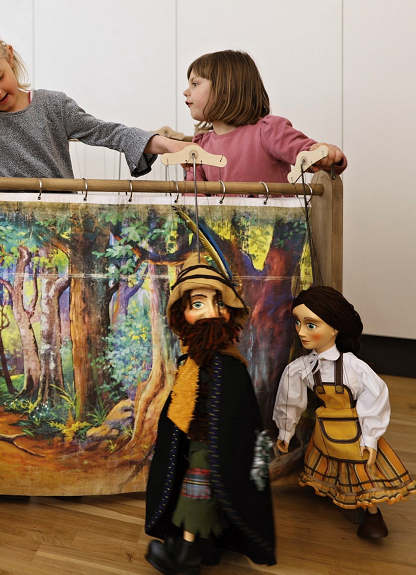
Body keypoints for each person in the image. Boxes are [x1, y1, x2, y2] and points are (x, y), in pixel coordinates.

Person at [0, 19, 187, 190]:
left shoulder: (53, 106)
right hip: (3, 234)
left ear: (9, 57)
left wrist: (162, 143)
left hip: (60, 223)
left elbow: (109, 133)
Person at [145, 256, 276, 574]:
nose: (209, 312)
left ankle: (187, 554)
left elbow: (238, 415)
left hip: (211, 448)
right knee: (192, 490)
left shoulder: (230, 365)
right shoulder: (191, 361)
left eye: (217, 303)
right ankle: (201, 546)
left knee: (197, 494)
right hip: (193, 442)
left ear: (228, 310)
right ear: (182, 314)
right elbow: (180, 403)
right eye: (197, 304)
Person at [273, 285, 415, 539]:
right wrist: (285, 431)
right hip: (325, 431)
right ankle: (341, 499)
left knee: (361, 471)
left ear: (335, 328)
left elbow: (376, 397)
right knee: (334, 468)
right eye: (297, 322)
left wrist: (370, 438)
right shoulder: (301, 368)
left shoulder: (353, 367)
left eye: (311, 325)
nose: (301, 332)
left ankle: (372, 515)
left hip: (352, 429)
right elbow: (289, 401)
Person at [182, 50, 347, 183]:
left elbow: (305, 153)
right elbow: (193, 197)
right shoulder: (200, 146)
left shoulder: (268, 131)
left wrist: (323, 154)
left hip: (276, 217)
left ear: (226, 90)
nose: (185, 91)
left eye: (195, 84)